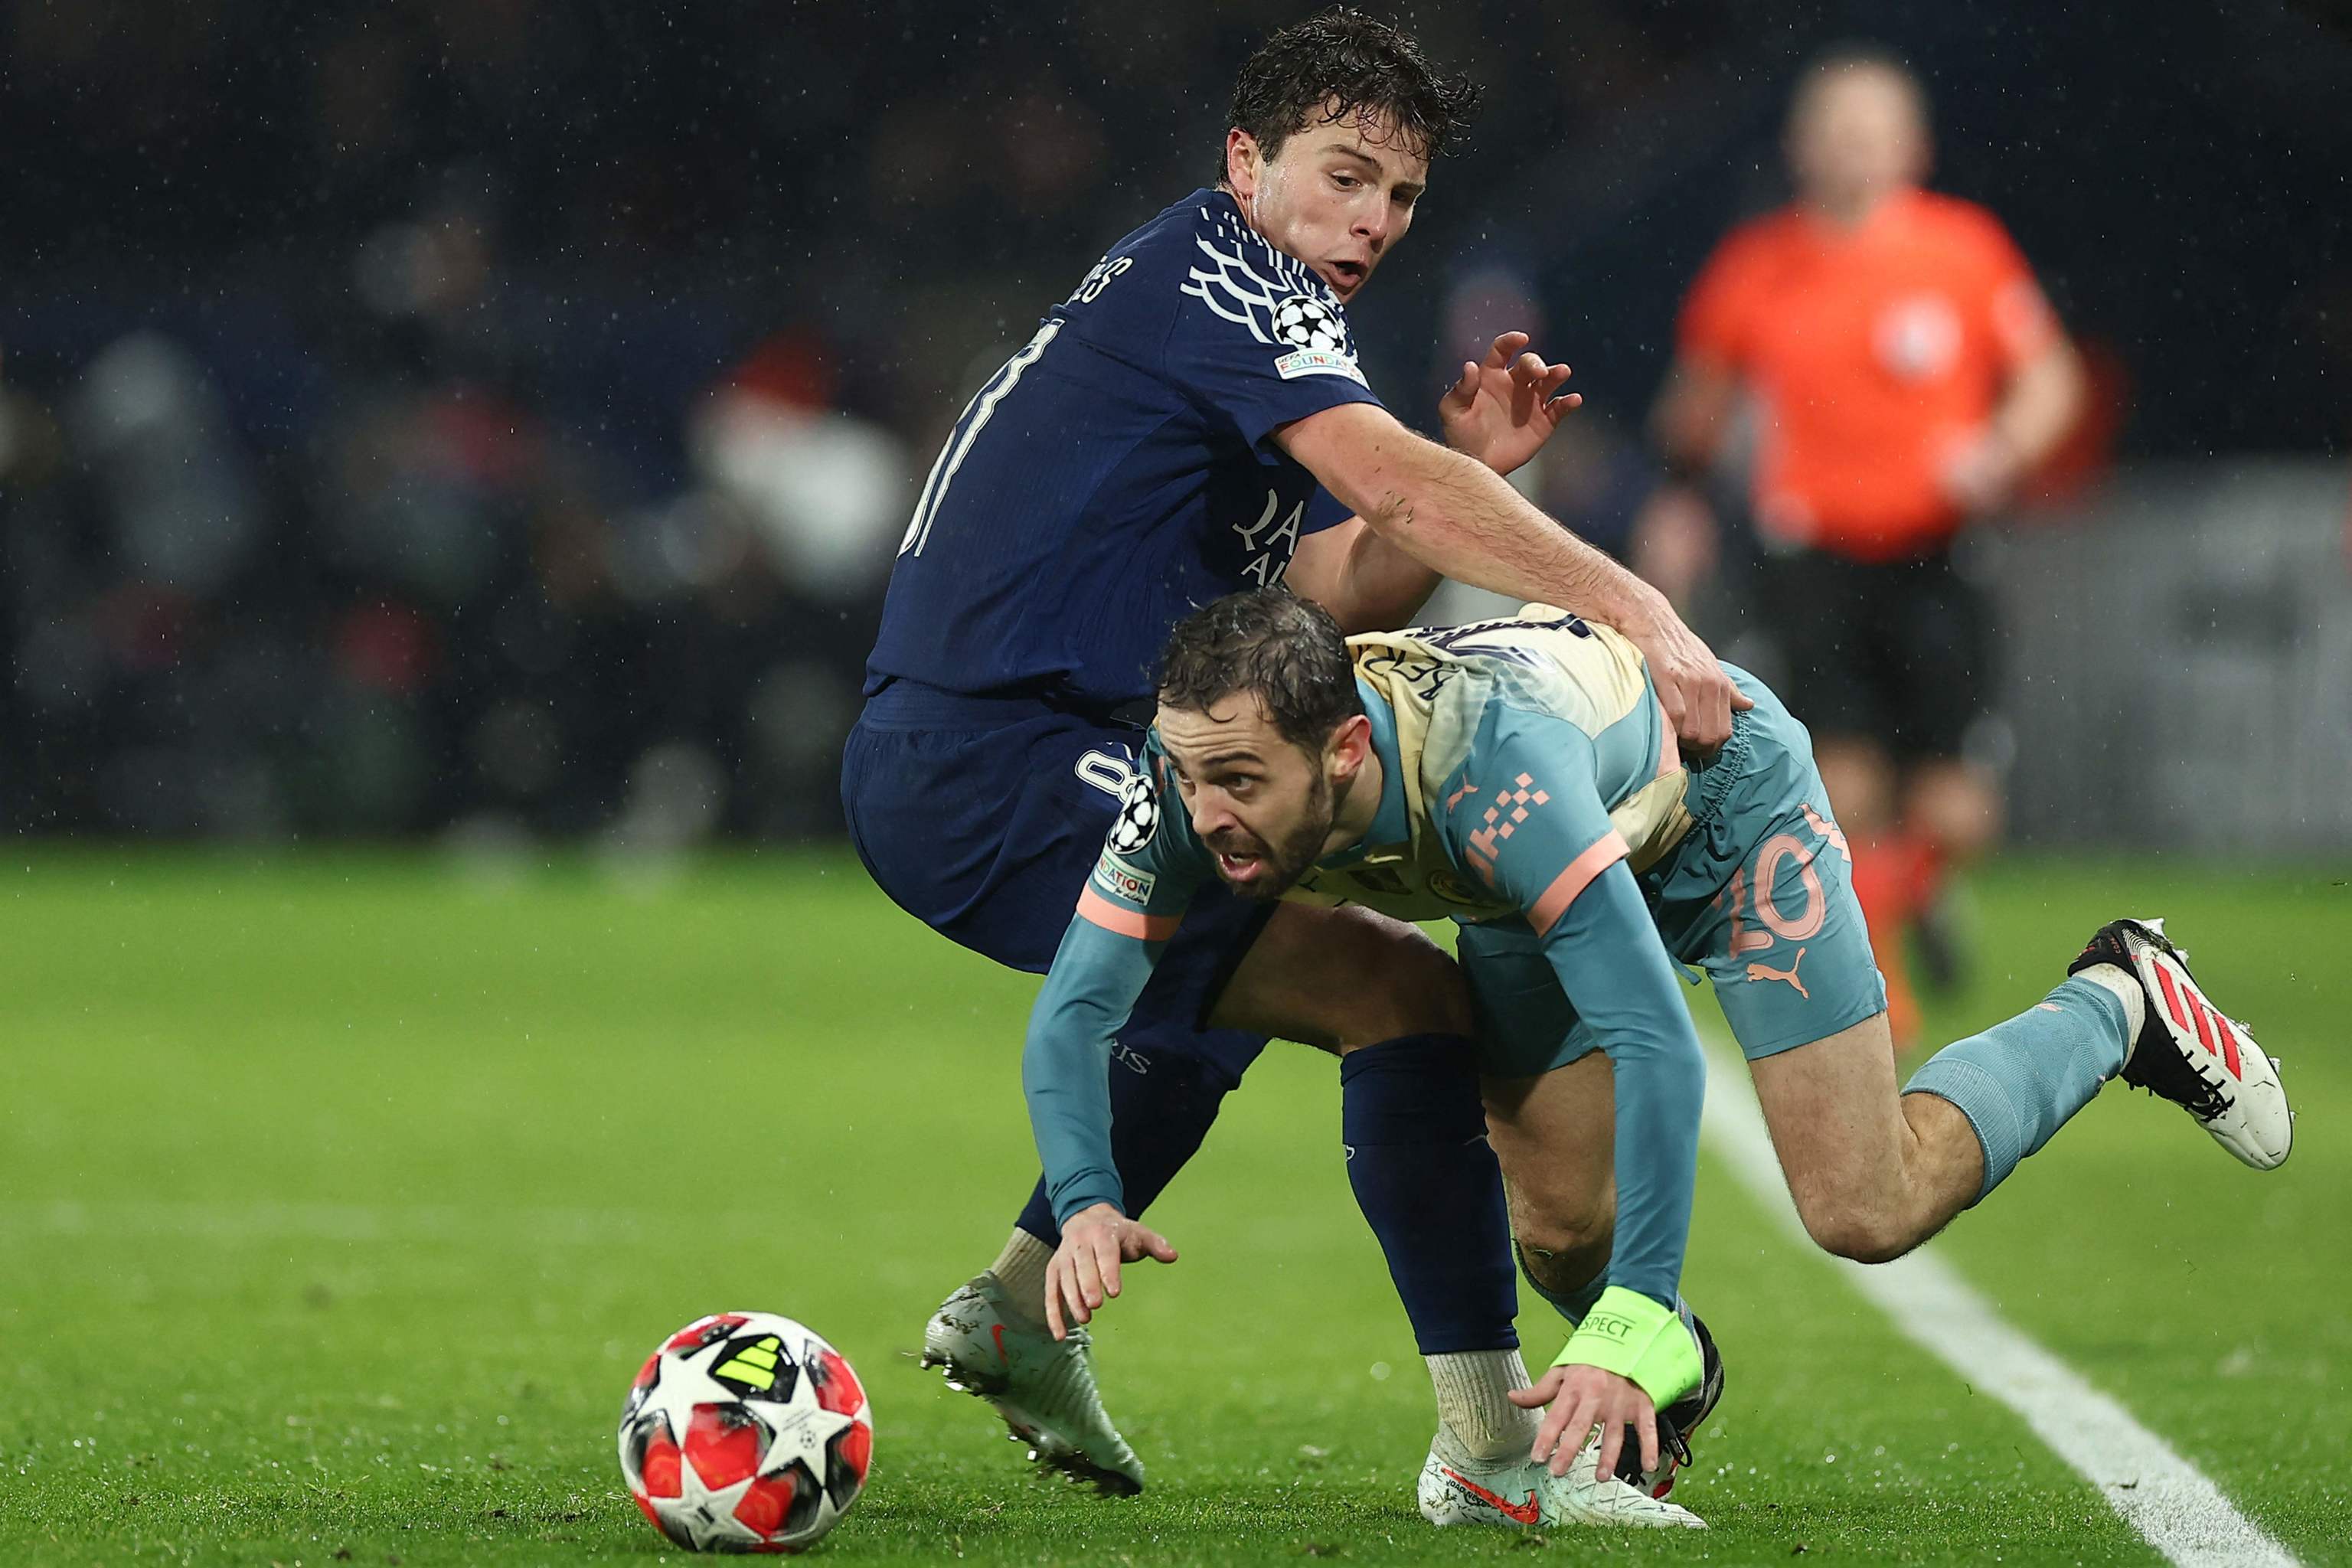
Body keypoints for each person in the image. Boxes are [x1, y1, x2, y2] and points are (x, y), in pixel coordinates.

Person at [840, 8, 1746, 1523]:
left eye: (1398, 198)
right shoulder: (1226, 279)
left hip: (1040, 747)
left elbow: (1318, 605)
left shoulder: (1240, 318)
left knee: (1279, 949)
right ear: (1246, 162)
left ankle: (1015, 1310)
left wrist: (1427, 505)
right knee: (1389, 990)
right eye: (1343, 176)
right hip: (996, 753)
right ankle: (1498, 1455)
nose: (1372, 222)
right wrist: (1638, 607)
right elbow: (1385, 472)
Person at [1023, 588, 2291, 1523]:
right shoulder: (1196, 772)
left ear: (1345, 751)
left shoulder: (1486, 770)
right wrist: (1084, 1200)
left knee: (1865, 1203)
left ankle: (2122, 1001)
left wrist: (1632, 1316)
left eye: (1237, 782)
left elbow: (1654, 1038)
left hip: (1719, 816)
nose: (1206, 820)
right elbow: (1078, 1007)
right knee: (1560, 1225)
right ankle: (1671, 1371)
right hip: (1531, 887)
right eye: (1190, 782)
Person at [1639, 47, 2086, 1044]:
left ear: (1913, 146)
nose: (1852, 148)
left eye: (1872, 130)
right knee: (1839, 793)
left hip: (1938, 553)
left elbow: (2052, 379)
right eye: (1835, 129)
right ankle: (1878, 986)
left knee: (1962, 813)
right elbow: (1697, 406)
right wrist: (1680, 500)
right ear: (1800, 146)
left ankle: (1918, 889)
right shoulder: (1757, 265)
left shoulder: (1965, 252)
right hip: (1811, 559)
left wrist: (2002, 446)